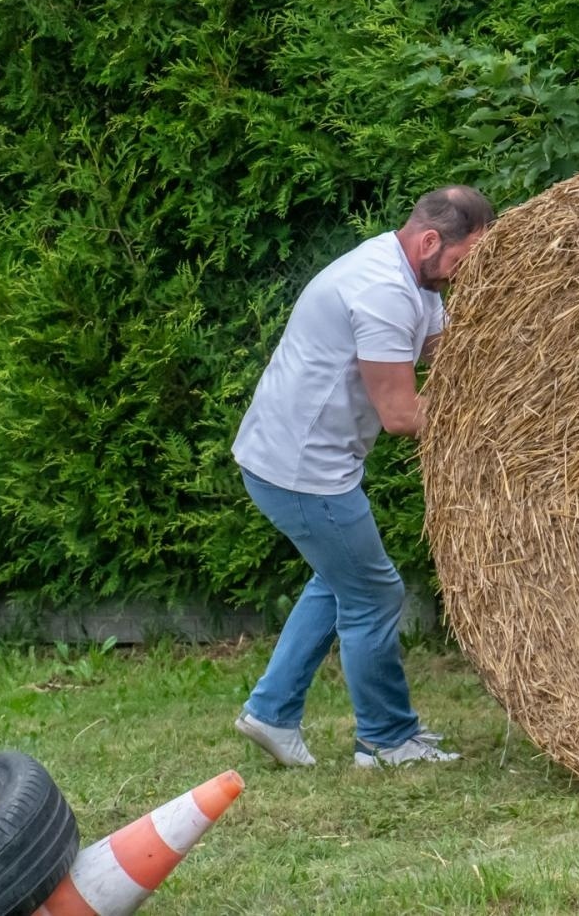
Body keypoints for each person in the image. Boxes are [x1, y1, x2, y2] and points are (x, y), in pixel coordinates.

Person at [231, 185, 494, 768]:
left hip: (297, 461)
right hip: (302, 473)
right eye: (462, 260)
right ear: (430, 241)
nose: (462, 275)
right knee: (375, 593)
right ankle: (384, 738)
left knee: (339, 581)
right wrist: (491, 429)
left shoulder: (415, 279)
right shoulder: (382, 292)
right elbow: (402, 417)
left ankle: (271, 712)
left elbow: (448, 355)